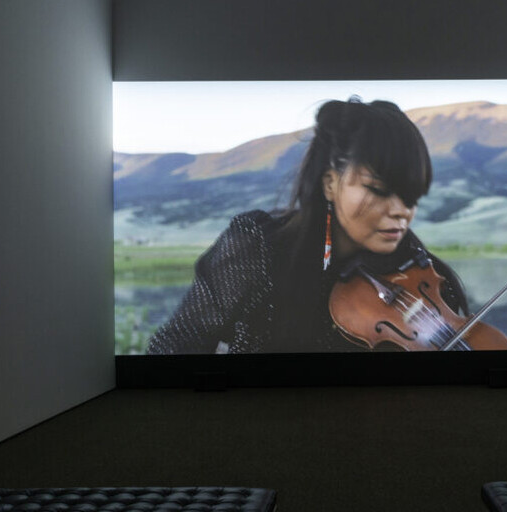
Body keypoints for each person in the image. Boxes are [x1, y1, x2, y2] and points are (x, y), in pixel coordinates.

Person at [146, 97, 470, 354]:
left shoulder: (427, 279)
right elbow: (173, 349)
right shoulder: (257, 247)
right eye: (378, 190)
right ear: (330, 183)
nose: (402, 211)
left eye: (410, 194)